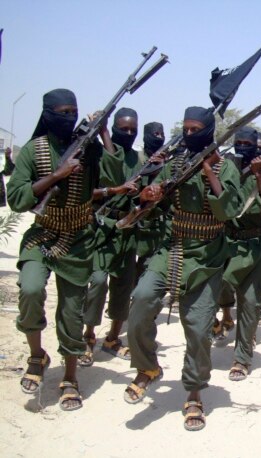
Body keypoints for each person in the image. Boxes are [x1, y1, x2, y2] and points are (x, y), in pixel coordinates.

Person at [124, 106, 242, 432]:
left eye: (195, 131)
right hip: (173, 249)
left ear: (208, 132)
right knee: (142, 301)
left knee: (199, 328)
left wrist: (209, 172)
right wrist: (150, 194)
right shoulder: (175, 164)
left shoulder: (226, 167)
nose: (189, 136)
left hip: (207, 257)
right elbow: (151, 200)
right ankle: (148, 368)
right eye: (185, 131)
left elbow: (229, 210)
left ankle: (193, 392)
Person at [7, 88, 103, 411]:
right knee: (31, 290)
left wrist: (102, 133)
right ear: (48, 114)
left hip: (77, 239)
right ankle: (37, 355)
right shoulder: (33, 151)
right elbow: (17, 198)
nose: (69, 117)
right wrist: (56, 176)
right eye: (62, 112)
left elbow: (118, 173)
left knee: (71, 313)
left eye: (73, 112)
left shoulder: (89, 150)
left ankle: (70, 376)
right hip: (43, 235)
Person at [218, 127, 261, 381]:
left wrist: (259, 177)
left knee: (250, 304)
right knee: (215, 290)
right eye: (239, 142)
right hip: (225, 243)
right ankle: (220, 320)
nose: (243, 148)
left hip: (255, 245)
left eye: (249, 144)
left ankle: (242, 358)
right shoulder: (227, 168)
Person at [80, 107, 142, 366]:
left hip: (127, 228)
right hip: (101, 226)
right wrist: (103, 132)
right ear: (114, 127)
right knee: (97, 283)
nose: (127, 133)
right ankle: (88, 337)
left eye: (132, 129)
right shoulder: (95, 151)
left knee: (124, 285)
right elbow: (91, 188)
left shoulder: (136, 158)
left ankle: (113, 338)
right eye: (123, 128)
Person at [135, 121, 169, 279]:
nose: (160, 138)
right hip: (140, 224)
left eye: (162, 134)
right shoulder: (138, 160)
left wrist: (163, 166)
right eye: (156, 134)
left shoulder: (167, 162)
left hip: (161, 227)